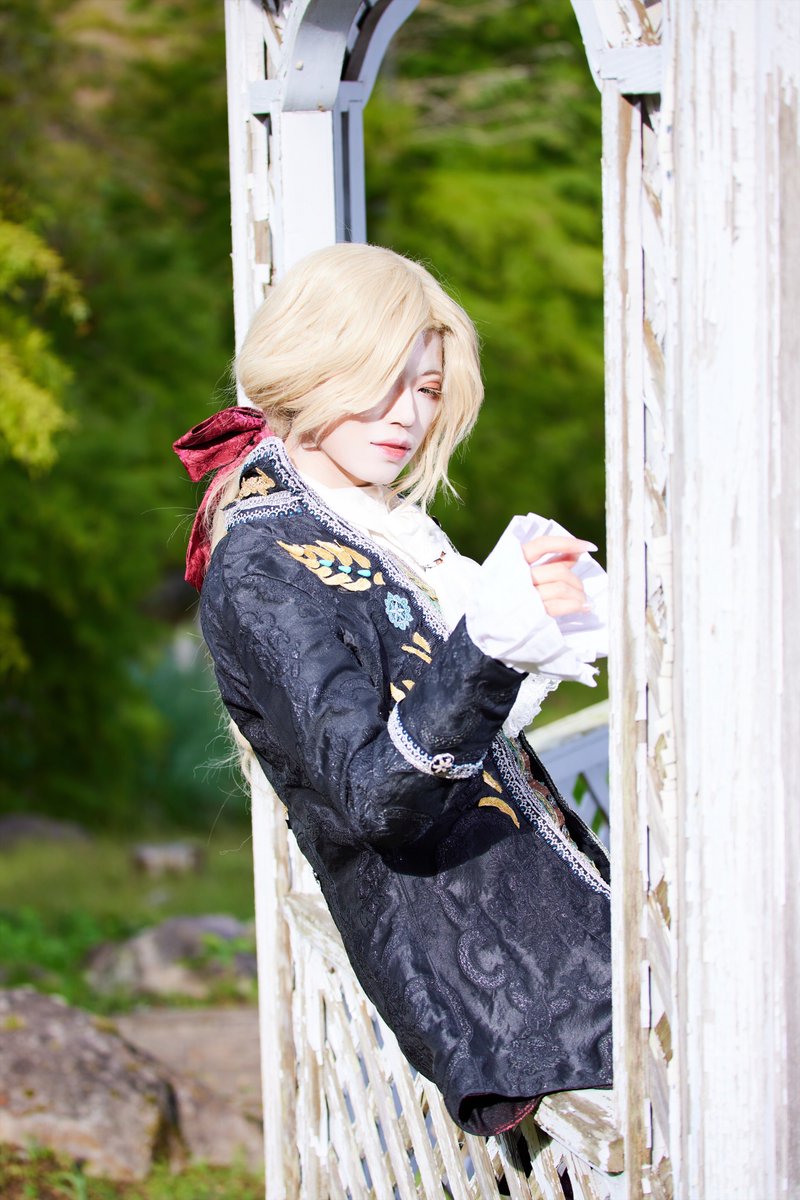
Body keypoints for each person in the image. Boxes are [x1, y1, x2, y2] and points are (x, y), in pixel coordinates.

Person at [174, 243, 612, 1138]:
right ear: (311, 363)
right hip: (505, 998)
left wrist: (538, 618)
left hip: (558, 955)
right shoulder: (262, 563)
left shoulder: (373, 526)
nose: (408, 414)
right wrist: (490, 642)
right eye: (383, 379)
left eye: (428, 388)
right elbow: (378, 797)